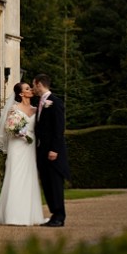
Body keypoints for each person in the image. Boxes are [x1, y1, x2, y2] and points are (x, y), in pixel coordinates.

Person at [0, 82, 45, 226]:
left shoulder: (36, 110)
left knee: (29, 176)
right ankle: (12, 215)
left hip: (30, 145)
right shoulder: (14, 109)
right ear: (21, 94)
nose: (30, 90)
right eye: (27, 88)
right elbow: (8, 127)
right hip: (17, 145)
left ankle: (30, 215)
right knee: (15, 176)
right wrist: (17, 131)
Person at [32, 74, 69, 227]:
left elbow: (59, 128)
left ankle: (60, 216)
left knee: (55, 184)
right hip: (42, 151)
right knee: (47, 184)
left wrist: (54, 149)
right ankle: (54, 214)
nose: (33, 88)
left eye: (33, 85)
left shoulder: (55, 102)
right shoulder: (39, 102)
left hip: (53, 152)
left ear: (39, 84)